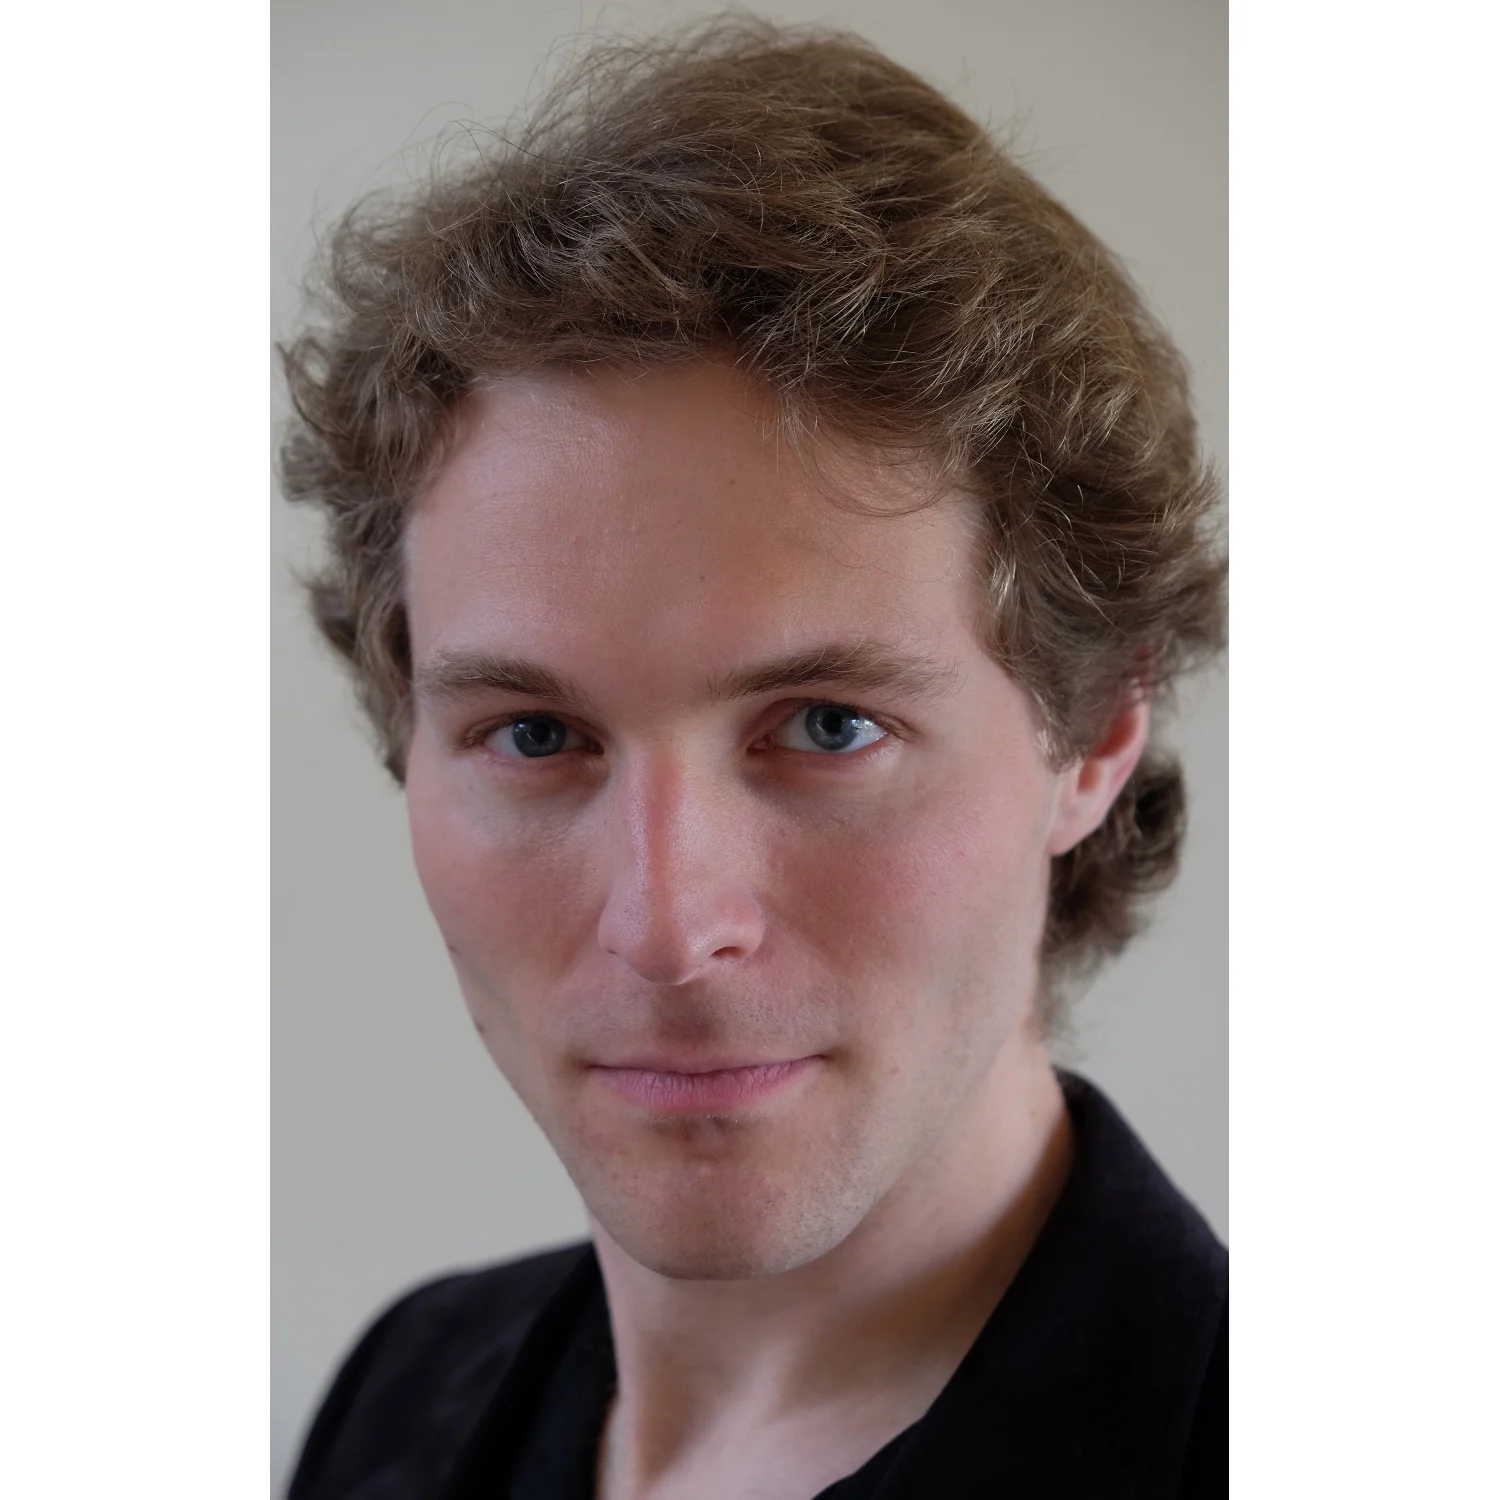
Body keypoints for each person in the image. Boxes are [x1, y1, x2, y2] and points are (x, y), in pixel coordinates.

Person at [280, 18, 1227, 1499]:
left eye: (829, 726)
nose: (665, 927)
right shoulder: (403, 1395)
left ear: (1097, 729)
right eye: (536, 735)